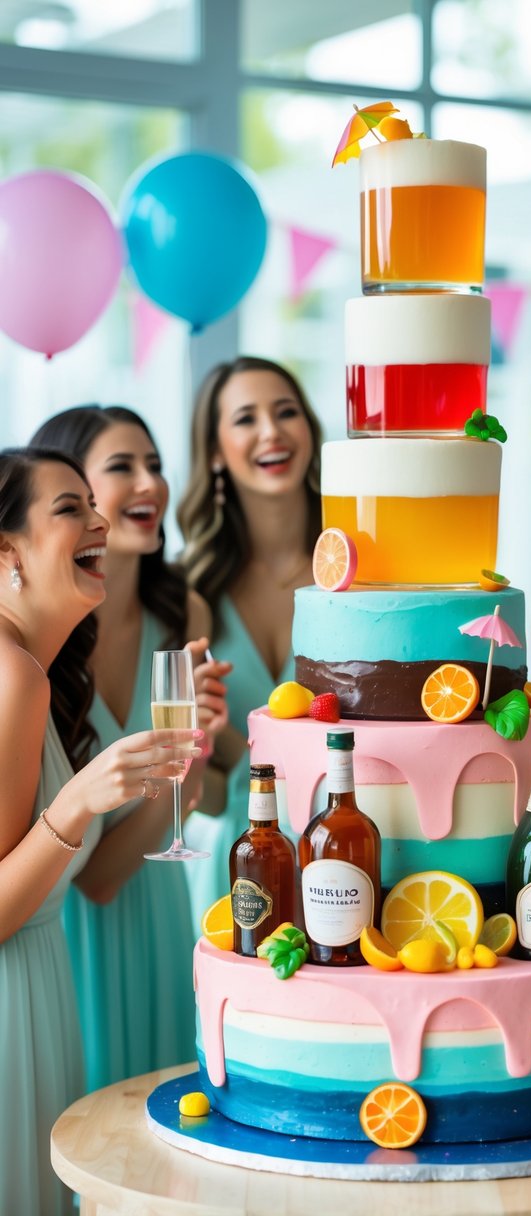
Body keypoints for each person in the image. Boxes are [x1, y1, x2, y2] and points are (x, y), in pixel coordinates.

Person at [0, 446, 203, 1216]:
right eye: (69, 509)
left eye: (94, 503)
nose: (99, 520)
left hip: (39, 994)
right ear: (6, 550)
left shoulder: (30, 670)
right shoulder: (11, 674)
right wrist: (76, 805)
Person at [31, 406, 226, 1093]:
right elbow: (90, 877)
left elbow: (178, 801)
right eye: (122, 468)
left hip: (154, 891)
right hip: (65, 920)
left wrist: (194, 750)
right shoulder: (41, 648)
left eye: (156, 465)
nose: (149, 483)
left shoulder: (184, 614)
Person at [176, 356, 323, 934]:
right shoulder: (191, 592)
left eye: (286, 411)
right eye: (245, 418)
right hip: (242, 867)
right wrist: (202, 744)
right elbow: (206, 796)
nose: (271, 431)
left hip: (346, 850)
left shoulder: (359, 570)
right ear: (214, 450)